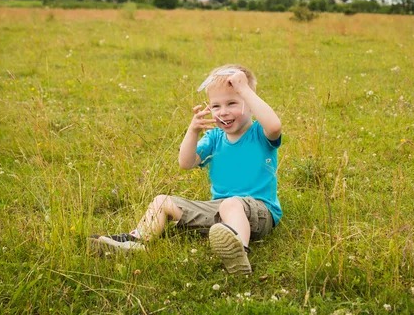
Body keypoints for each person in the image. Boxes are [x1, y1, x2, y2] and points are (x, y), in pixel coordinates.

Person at [89, 64, 282, 275]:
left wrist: (244, 89)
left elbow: (274, 127)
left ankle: (238, 253)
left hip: (259, 214)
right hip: (219, 214)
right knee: (162, 201)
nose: (223, 112)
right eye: (216, 106)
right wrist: (193, 130)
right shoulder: (215, 138)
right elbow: (186, 162)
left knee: (231, 204)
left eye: (232, 103)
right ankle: (136, 242)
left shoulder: (259, 134)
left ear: (251, 103)